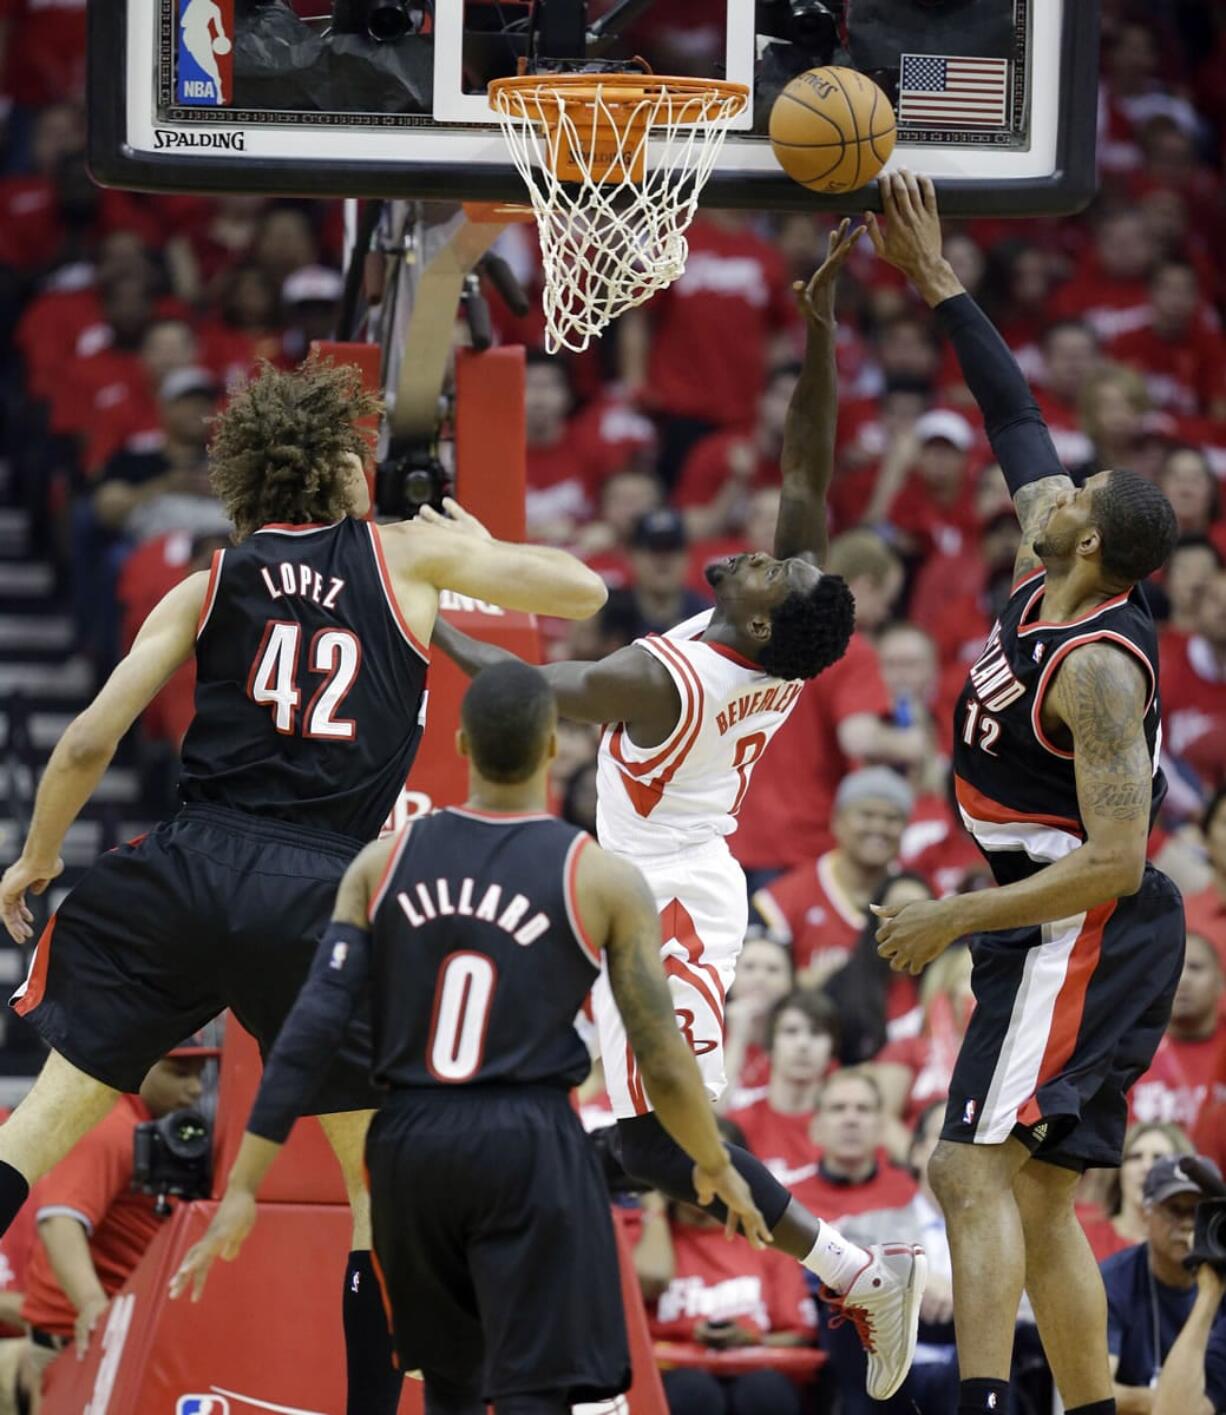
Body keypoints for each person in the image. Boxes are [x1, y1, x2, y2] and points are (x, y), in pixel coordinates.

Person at [0, 358, 608, 1415]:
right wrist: (472, 545)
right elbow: (583, 590)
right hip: (322, 888)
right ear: (337, 464)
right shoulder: (408, 555)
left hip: (186, 865)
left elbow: (91, 735)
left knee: (37, 1128)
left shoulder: (212, 575)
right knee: (375, 1191)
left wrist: (38, 854)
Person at [432, 225, 928, 1402]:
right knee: (624, 1137)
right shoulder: (774, 636)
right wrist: (813, 323)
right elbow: (805, 471)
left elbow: (522, 692)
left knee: (656, 1141)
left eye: (774, 568)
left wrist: (415, 609)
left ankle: (857, 1268)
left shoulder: (673, 678)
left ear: (762, 619)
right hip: (627, 880)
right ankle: (585, 1333)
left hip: (672, 900)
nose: (765, 551)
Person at [170, 662, 770, 1415]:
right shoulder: (600, 877)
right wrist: (714, 1164)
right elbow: (662, 1058)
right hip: (528, 1141)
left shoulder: (380, 864)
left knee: (448, 1387)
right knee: (531, 1382)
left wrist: (248, 1181)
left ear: (459, 743)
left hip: (415, 1141)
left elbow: (309, 1030)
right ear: (554, 746)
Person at [869, 171, 1182, 1415]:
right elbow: (1013, 420)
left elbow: (1112, 860)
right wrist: (938, 282)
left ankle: (989, 1402)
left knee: (963, 1170)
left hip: (1079, 921)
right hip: (1054, 914)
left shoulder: (1099, 665)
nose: (1055, 491)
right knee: (1043, 1191)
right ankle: (1089, 1405)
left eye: (1077, 499)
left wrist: (948, 917)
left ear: (1089, 543)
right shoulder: (1047, 560)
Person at [20, 1044, 215, 1395]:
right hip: (75, 1344)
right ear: (140, 1064)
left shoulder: (145, 1127)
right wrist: (93, 1306)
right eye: (180, 1073)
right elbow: (59, 1221)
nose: (196, 1089)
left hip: (105, 1340)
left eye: (199, 1075)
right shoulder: (110, 1126)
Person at [752, 767, 913, 989]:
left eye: (891, 818)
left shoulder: (916, 896)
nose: (879, 827)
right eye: (866, 815)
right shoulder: (782, 901)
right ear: (836, 821)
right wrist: (802, 988)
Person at [1100, 1154, 1223, 1407]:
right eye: (1175, 1209)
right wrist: (1169, 1399)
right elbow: (1097, 1392)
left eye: (1201, 1211)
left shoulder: (1220, 1284)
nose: (1189, 1223)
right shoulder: (1112, 1280)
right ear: (1146, 1215)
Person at [728, 991, 839, 1194]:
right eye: (790, 1031)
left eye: (816, 1033)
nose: (803, 1044)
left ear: (832, 1049)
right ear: (770, 1046)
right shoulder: (740, 1123)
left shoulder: (847, 1124)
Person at [1131, 933, 1224, 1131]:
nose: (1183, 980)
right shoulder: (1128, 1050)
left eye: (1195, 967)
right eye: (1174, 968)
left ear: (1220, 982)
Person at [1080, 1122, 1194, 1263]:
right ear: (1118, 1171)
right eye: (1135, 1157)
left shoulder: (1190, 1244)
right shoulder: (1082, 1234)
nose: (1146, 1167)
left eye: (1158, 1157)